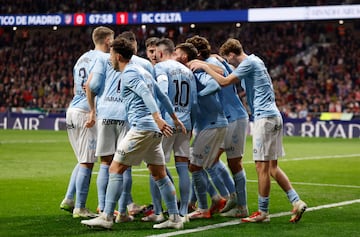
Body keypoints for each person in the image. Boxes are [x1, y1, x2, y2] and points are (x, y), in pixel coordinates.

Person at [188, 38, 307, 223]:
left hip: (263, 118)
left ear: (232, 54)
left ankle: (261, 211)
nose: (228, 63)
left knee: (261, 167)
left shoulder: (248, 63)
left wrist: (205, 66)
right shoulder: (256, 60)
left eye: (228, 59)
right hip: (273, 116)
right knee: (272, 167)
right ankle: (296, 201)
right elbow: (230, 71)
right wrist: (213, 60)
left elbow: (225, 80)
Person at [81, 36, 187, 230]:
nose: (109, 59)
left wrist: (157, 118)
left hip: (142, 128)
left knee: (115, 168)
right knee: (160, 174)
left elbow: (147, 95)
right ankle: (174, 218)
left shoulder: (129, 73)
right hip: (153, 132)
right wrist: (174, 117)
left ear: (118, 56)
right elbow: (162, 95)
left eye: (111, 55)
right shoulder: (143, 71)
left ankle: (106, 217)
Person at [186, 35, 248, 217]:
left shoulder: (207, 65)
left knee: (203, 162)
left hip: (230, 118)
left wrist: (196, 98)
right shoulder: (214, 61)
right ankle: (235, 201)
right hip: (234, 116)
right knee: (217, 162)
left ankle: (227, 200)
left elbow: (217, 81)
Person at [60, 26, 114, 218]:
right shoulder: (104, 59)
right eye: (112, 40)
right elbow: (91, 86)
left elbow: (78, 86)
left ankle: (69, 198)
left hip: (73, 109)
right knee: (87, 161)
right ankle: (80, 208)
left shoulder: (82, 58)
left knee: (83, 158)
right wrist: (93, 110)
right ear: (107, 40)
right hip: (86, 112)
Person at [173, 42, 227, 217]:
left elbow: (215, 85)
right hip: (210, 124)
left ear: (184, 57)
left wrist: (197, 95)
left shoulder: (194, 70)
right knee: (198, 165)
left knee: (194, 166)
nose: (173, 54)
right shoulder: (187, 71)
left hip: (212, 124)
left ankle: (204, 207)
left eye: (176, 52)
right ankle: (211, 199)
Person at [152, 38, 197, 221]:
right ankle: (184, 211)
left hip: (167, 123)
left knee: (155, 167)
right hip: (184, 123)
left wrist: (158, 119)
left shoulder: (161, 68)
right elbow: (194, 101)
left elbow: (162, 92)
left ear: (161, 53)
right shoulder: (188, 71)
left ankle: (157, 212)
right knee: (182, 168)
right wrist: (191, 124)